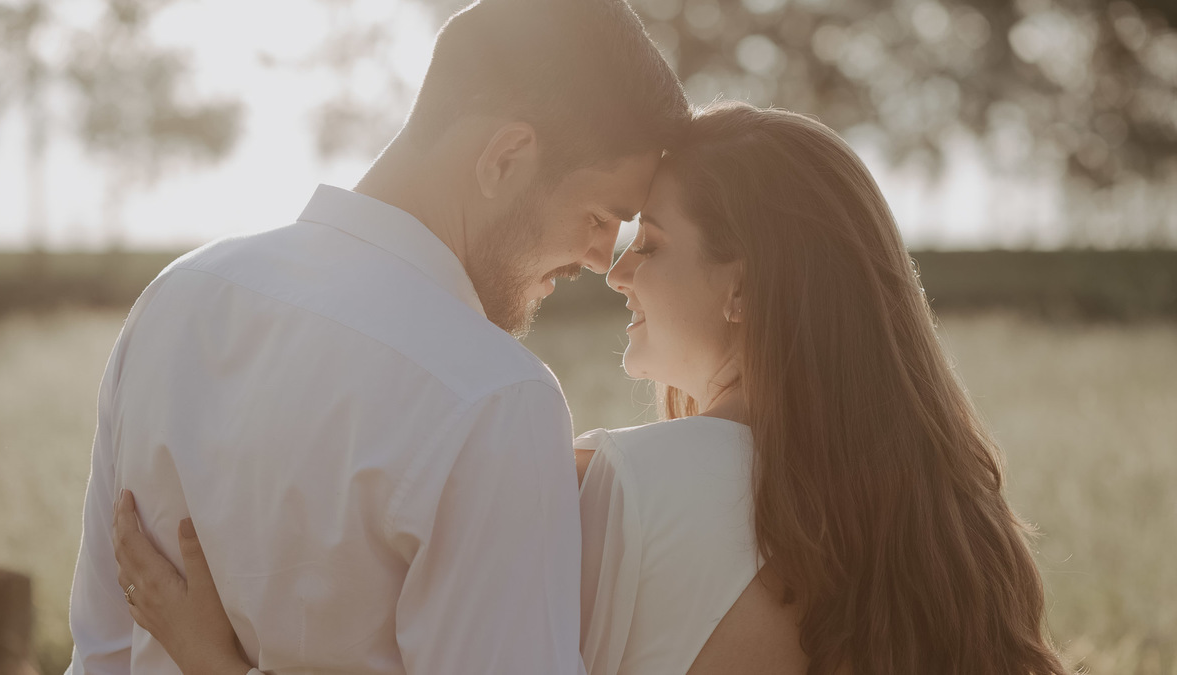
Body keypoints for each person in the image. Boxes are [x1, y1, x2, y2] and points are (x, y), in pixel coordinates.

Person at [112, 102, 1071, 675]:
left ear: (743, 287)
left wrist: (216, 663)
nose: (616, 272)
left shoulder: (608, 489)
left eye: (648, 244)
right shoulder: (949, 514)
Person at [65, 0, 689, 673]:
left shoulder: (177, 296)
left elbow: (100, 654)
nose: (600, 260)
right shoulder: (493, 399)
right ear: (506, 158)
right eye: (600, 217)